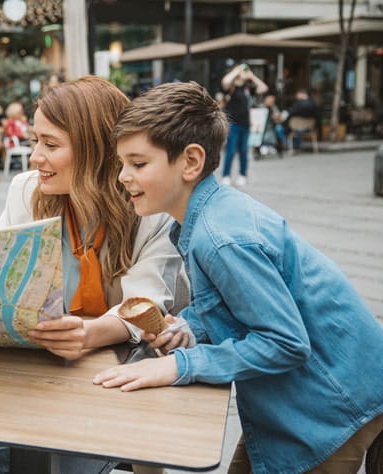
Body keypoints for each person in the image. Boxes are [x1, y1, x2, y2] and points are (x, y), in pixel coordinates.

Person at [102, 80, 383, 473]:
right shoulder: (207, 218)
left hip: (333, 402)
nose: (122, 176)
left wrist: (179, 365)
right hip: (316, 396)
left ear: (191, 162)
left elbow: (286, 342)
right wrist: (189, 327)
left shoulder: (221, 239)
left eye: (138, 163)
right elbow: (229, 304)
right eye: (121, 164)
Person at [0, 76, 189, 474]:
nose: (35, 157)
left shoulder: (149, 205)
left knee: (78, 438)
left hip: (119, 350)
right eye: (35, 141)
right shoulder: (26, 189)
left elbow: (147, 302)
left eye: (50, 144)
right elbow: (8, 287)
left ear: (94, 149)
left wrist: (88, 335)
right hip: (41, 351)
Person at [219, 64, 267, 187]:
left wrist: (252, 76)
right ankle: (226, 175)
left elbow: (263, 88)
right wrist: (237, 70)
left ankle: (242, 175)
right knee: (230, 150)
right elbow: (225, 81)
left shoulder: (247, 89)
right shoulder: (231, 88)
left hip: (245, 124)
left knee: (244, 151)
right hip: (232, 124)